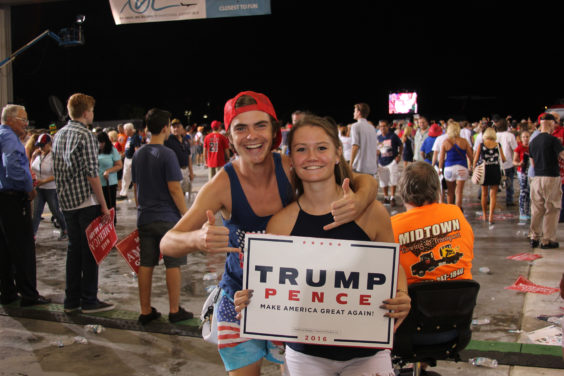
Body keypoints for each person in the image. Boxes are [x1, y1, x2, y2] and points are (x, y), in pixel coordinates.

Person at [160, 90, 377, 375]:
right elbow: (167, 242)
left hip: (291, 301)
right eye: (241, 128)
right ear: (229, 135)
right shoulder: (222, 185)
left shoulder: (290, 169)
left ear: (274, 129)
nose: (252, 136)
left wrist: (359, 201)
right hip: (238, 301)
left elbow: (361, 179)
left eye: (260, 125)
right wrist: (196, 239)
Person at [234, 114, 410, 376]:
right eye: (302, 149)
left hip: (367, 352)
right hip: (306, 355)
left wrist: (402, 295)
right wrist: (250, 303)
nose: (312, 156)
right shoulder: (280, 224)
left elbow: (392, 267)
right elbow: (270, 290)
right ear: (291, 160)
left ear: (338, 154)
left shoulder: (372, 213)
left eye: (322, 148)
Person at [52, 93, 114, 314]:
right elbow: (92, 174)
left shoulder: (58, 135)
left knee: (73, 251)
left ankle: (71, 300)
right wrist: (104, 205)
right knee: (90, 253)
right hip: (85, 201)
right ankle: (89, 299)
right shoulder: (86, 135)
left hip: (67, 202)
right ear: (86, 112)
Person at [132, 108, 193, 325]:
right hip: (168, 218)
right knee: (172, 264)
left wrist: (142, 209)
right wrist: (186, 214)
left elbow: (136, 189)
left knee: (146, 264)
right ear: (166, 127)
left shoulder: (138, 153)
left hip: (145, 217)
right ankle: (174, 310)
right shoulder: (168, 154)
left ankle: (145, 310)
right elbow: (175, 189)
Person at [0, 104, 51, 307]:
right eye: (23, 119)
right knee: (23, 247)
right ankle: (29, 293)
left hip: (4, 198)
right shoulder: (9, 139)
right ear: (11, 119)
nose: (26, 124)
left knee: (5, 248)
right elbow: (12, 167)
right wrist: (28, 187)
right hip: (13, 197)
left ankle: (7, 291)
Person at [392, 161, 473, 285]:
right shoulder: (456, 213)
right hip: (460, 299)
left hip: (415, 301)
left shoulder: (392, 227)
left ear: (402, 191)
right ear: (437, 189)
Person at [528, 113, 564, 249]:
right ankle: (547, 240)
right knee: (552, 209)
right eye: (554, 122)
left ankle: (534, 237)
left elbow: (533, 163)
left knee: (537, 209)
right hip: (551, 178)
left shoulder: (533, 142)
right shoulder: (553, 140)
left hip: (536, 178)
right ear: (550, 123)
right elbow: (562, 155)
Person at [30, 133, 68, 239]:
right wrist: (33, 157)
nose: (40, 147)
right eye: (39, 145)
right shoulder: (38, 155)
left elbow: (58, 174)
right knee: (36, 212)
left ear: (49, 144)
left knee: (55, 210)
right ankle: (32, 235)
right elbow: (33, 168)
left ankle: (65, 229)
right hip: (39, 188)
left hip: (51, 188)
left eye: (43, 145)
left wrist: (43, 181)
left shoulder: (55, 156)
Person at [472, 127, 506, 225]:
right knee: (493, 194)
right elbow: (503, 159)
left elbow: (475, 159)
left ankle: (484, 214)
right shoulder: (498, 145)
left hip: (484, 170)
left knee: (484, 193)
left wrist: (474, 169)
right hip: (495, 169)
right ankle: (491, 216)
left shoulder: (481, 145)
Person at [438, 122, 473, 210]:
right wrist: (473, 165)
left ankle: (450, 211)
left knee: (450, 192)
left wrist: (440, 169)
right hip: (462, 168)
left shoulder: (446, 142)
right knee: (459, 192)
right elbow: (470, 156)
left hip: (449, 168)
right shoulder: (464, 141)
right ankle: (458, 211)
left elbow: (441, 158)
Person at [97, 131, 122, 224]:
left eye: (102, 142)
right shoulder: (96, 150)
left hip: (109, 182)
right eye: (98, 142)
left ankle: (112, 223)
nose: (100, 145)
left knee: (110, 204)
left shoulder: (112, 150)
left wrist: (108, 171)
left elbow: (119, 165)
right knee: (100, 206)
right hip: (98, 182)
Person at [164, 118, 194, 194]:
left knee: (184, 192)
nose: (176, 129)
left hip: (185, 170)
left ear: (182, 128)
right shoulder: (168, 140)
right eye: (173, 127)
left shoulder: (185, 140)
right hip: (174, 171)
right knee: (175, 194)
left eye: (178, 127)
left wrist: (191, 172)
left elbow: (188, 157)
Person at [377, 119, 403, 206]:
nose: (382, 128)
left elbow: (401, 145)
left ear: (388, 126)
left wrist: (399, 155)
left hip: (392, 161)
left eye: (384, 126)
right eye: (381, 126)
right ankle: (386, 197)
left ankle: (392, 197)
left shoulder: (393, 136)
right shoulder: (378, 137)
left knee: (393, 180)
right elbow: (378, 148)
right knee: (383, 180)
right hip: (381, 162)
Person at [349, 103, 379, 178]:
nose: (353, 113)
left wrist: (350, 164)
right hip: (372, 167)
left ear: (359, 113)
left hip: (360, 167)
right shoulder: (372, 128)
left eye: (355, 111)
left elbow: (355, 146)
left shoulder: (355, 126)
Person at [496, 119, 518, 207]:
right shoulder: (510, 136)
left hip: (496, 163)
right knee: (509, 182)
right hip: (508, 162)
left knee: (493, 183)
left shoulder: (494, 135)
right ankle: (509, 200)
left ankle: (489, 198)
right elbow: (515, 149)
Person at [118, 122, 141, 200]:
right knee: (125, 176)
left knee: (132, 177)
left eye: (125, 130)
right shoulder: (129, 137)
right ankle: (123, 193)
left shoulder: (135, 137)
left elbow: (136, 149)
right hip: (127, 158)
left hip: (132, 159)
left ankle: (136, 193)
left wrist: (135, 160)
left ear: (130, 130)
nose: (124, 132)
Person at [513, 129, 531, 221]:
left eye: (527, 137)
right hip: (522, 171)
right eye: (524, 137)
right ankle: (522, 211)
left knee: (529, 192)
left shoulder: (531, 147)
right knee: (523, 191)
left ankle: (527, 211)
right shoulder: (519, 148)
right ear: (521, 138)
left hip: (530, 172)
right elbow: (514, 161)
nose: (526, 139)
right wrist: (519, 163)